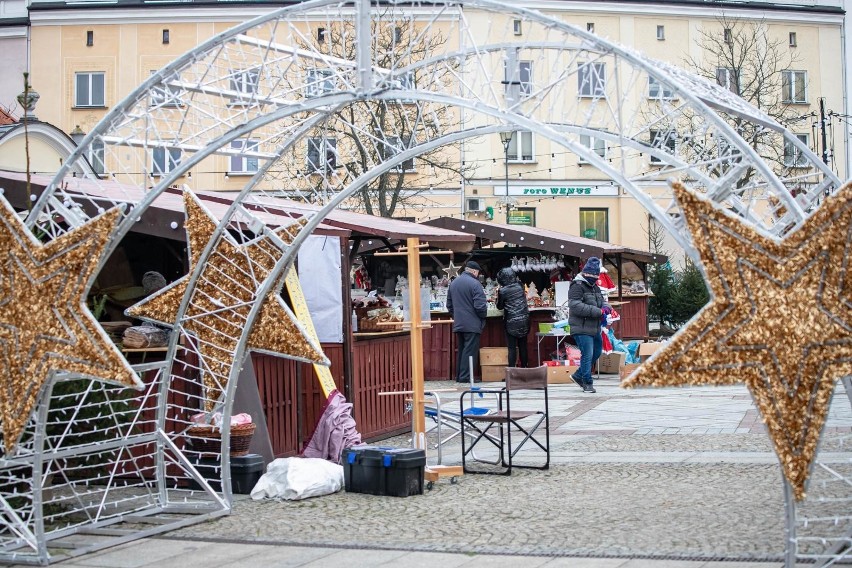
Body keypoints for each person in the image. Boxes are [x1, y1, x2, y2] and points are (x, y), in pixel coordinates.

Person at [568, 257, 611, 393]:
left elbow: (602, 301)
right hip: (581, 327)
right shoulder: (577, 286)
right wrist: (598, 311)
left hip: (594, 327)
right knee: (587, 354)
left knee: (597, 352)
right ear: (585, 273)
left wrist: (606, 307)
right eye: (592, 276)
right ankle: (587, 382)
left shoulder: (595, 287)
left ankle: (578, 375)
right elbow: (574, 305)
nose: (594, 278)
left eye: (596, 276)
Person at [446, 260, 487, 383]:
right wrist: (482, 318)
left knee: (463, 349)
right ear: (474, 271)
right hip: (472, 323)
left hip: (459, 323)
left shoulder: (453, 283)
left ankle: (460, 376)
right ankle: (465, 377)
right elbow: (480, 306)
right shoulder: (475, 284)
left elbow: (449, 305)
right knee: (469, 351)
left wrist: (457, 315)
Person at [496, 267, 530, 368]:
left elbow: (500, 306)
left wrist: (497, 297)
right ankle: (524, 369)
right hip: (524, 320)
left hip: (511, 322)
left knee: (512, 348)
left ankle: (511, 372)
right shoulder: (520, 286)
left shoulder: (502, 291)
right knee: (523, 346)